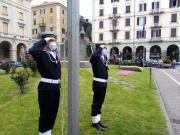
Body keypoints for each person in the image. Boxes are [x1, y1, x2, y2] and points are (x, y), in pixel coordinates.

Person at [27, 32, 61, 135]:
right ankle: (43, 132)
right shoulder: (41, 53)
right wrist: (45, 40)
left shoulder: (55, 54)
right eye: (51, 40)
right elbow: (32, 50)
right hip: (46, 87)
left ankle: (48, 132)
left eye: (54, 40)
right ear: (45, 42)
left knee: (52, 113)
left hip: (55, 87)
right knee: (46, 113)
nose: (53, 42)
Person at [90, 45, 109, 131]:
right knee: (96, 103)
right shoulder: (96, 58)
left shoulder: (102, 58)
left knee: (100, 103)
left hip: (103, 83)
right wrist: (100, 48)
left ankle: (98, 120)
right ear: (99, 49)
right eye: (104, 48)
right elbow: (93, 56)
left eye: (105, 48)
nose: (105, 50)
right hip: (98, 83)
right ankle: (94, 123)